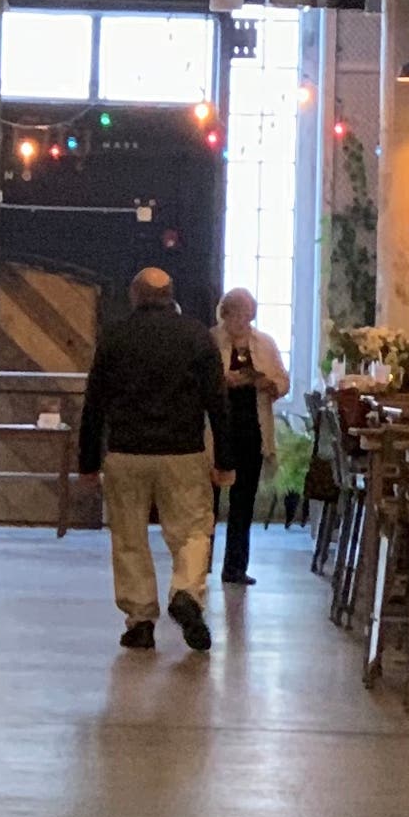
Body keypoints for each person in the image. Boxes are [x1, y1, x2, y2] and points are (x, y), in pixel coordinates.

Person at [77, 265, 230, 652]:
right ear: (171, 295)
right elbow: (218, 402)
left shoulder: (115, 337)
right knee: (193, 530)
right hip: (182, 452)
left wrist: (88, 462)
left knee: (129, 536)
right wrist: (224, 458)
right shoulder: (196, 336)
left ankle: (140, 621)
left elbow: (94, 403)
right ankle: (185, 593)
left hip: (126, 452)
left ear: (134, 295)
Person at [211, 287, 289, 587]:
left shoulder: (264, 344)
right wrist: (222, 381)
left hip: (251, 428)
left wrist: (268, 383)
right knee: (209, 500)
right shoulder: (211, 340)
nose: (240, 321)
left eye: (246, 315)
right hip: (218, 431)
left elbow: (283, 381)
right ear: (225, 314)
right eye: (234, 314)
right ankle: (200, 564)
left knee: (243, 502)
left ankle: (235, 567)